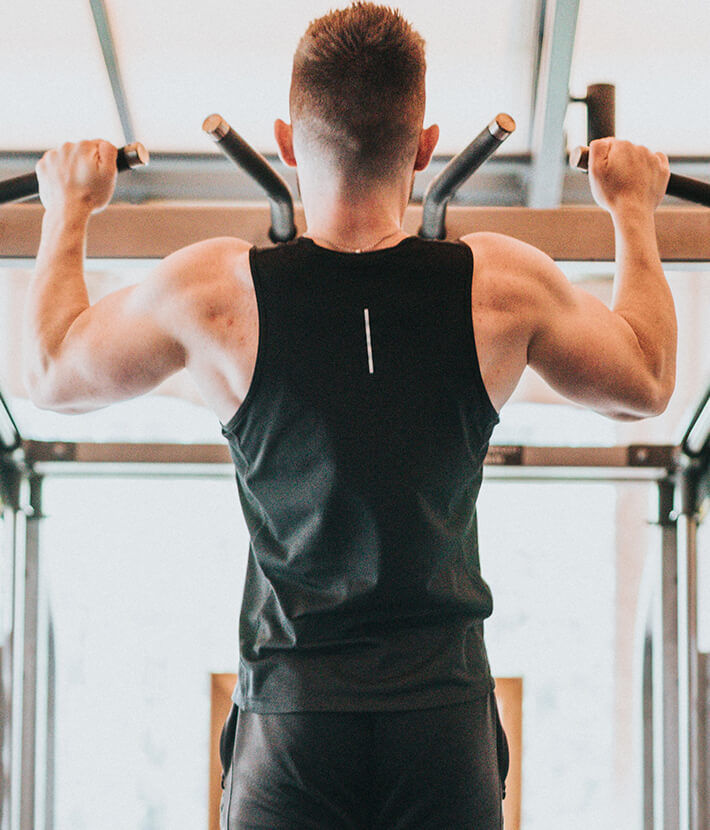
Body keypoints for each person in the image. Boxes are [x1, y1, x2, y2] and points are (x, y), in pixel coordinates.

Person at [24, 3, 676, 828]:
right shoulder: (500, 285)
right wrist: (632, 211)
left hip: (293, 720)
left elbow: (51, 370)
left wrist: (69, 208)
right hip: (441, 721)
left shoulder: (217, 291)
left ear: (287, 143)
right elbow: (647, 379)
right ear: (425, 147)